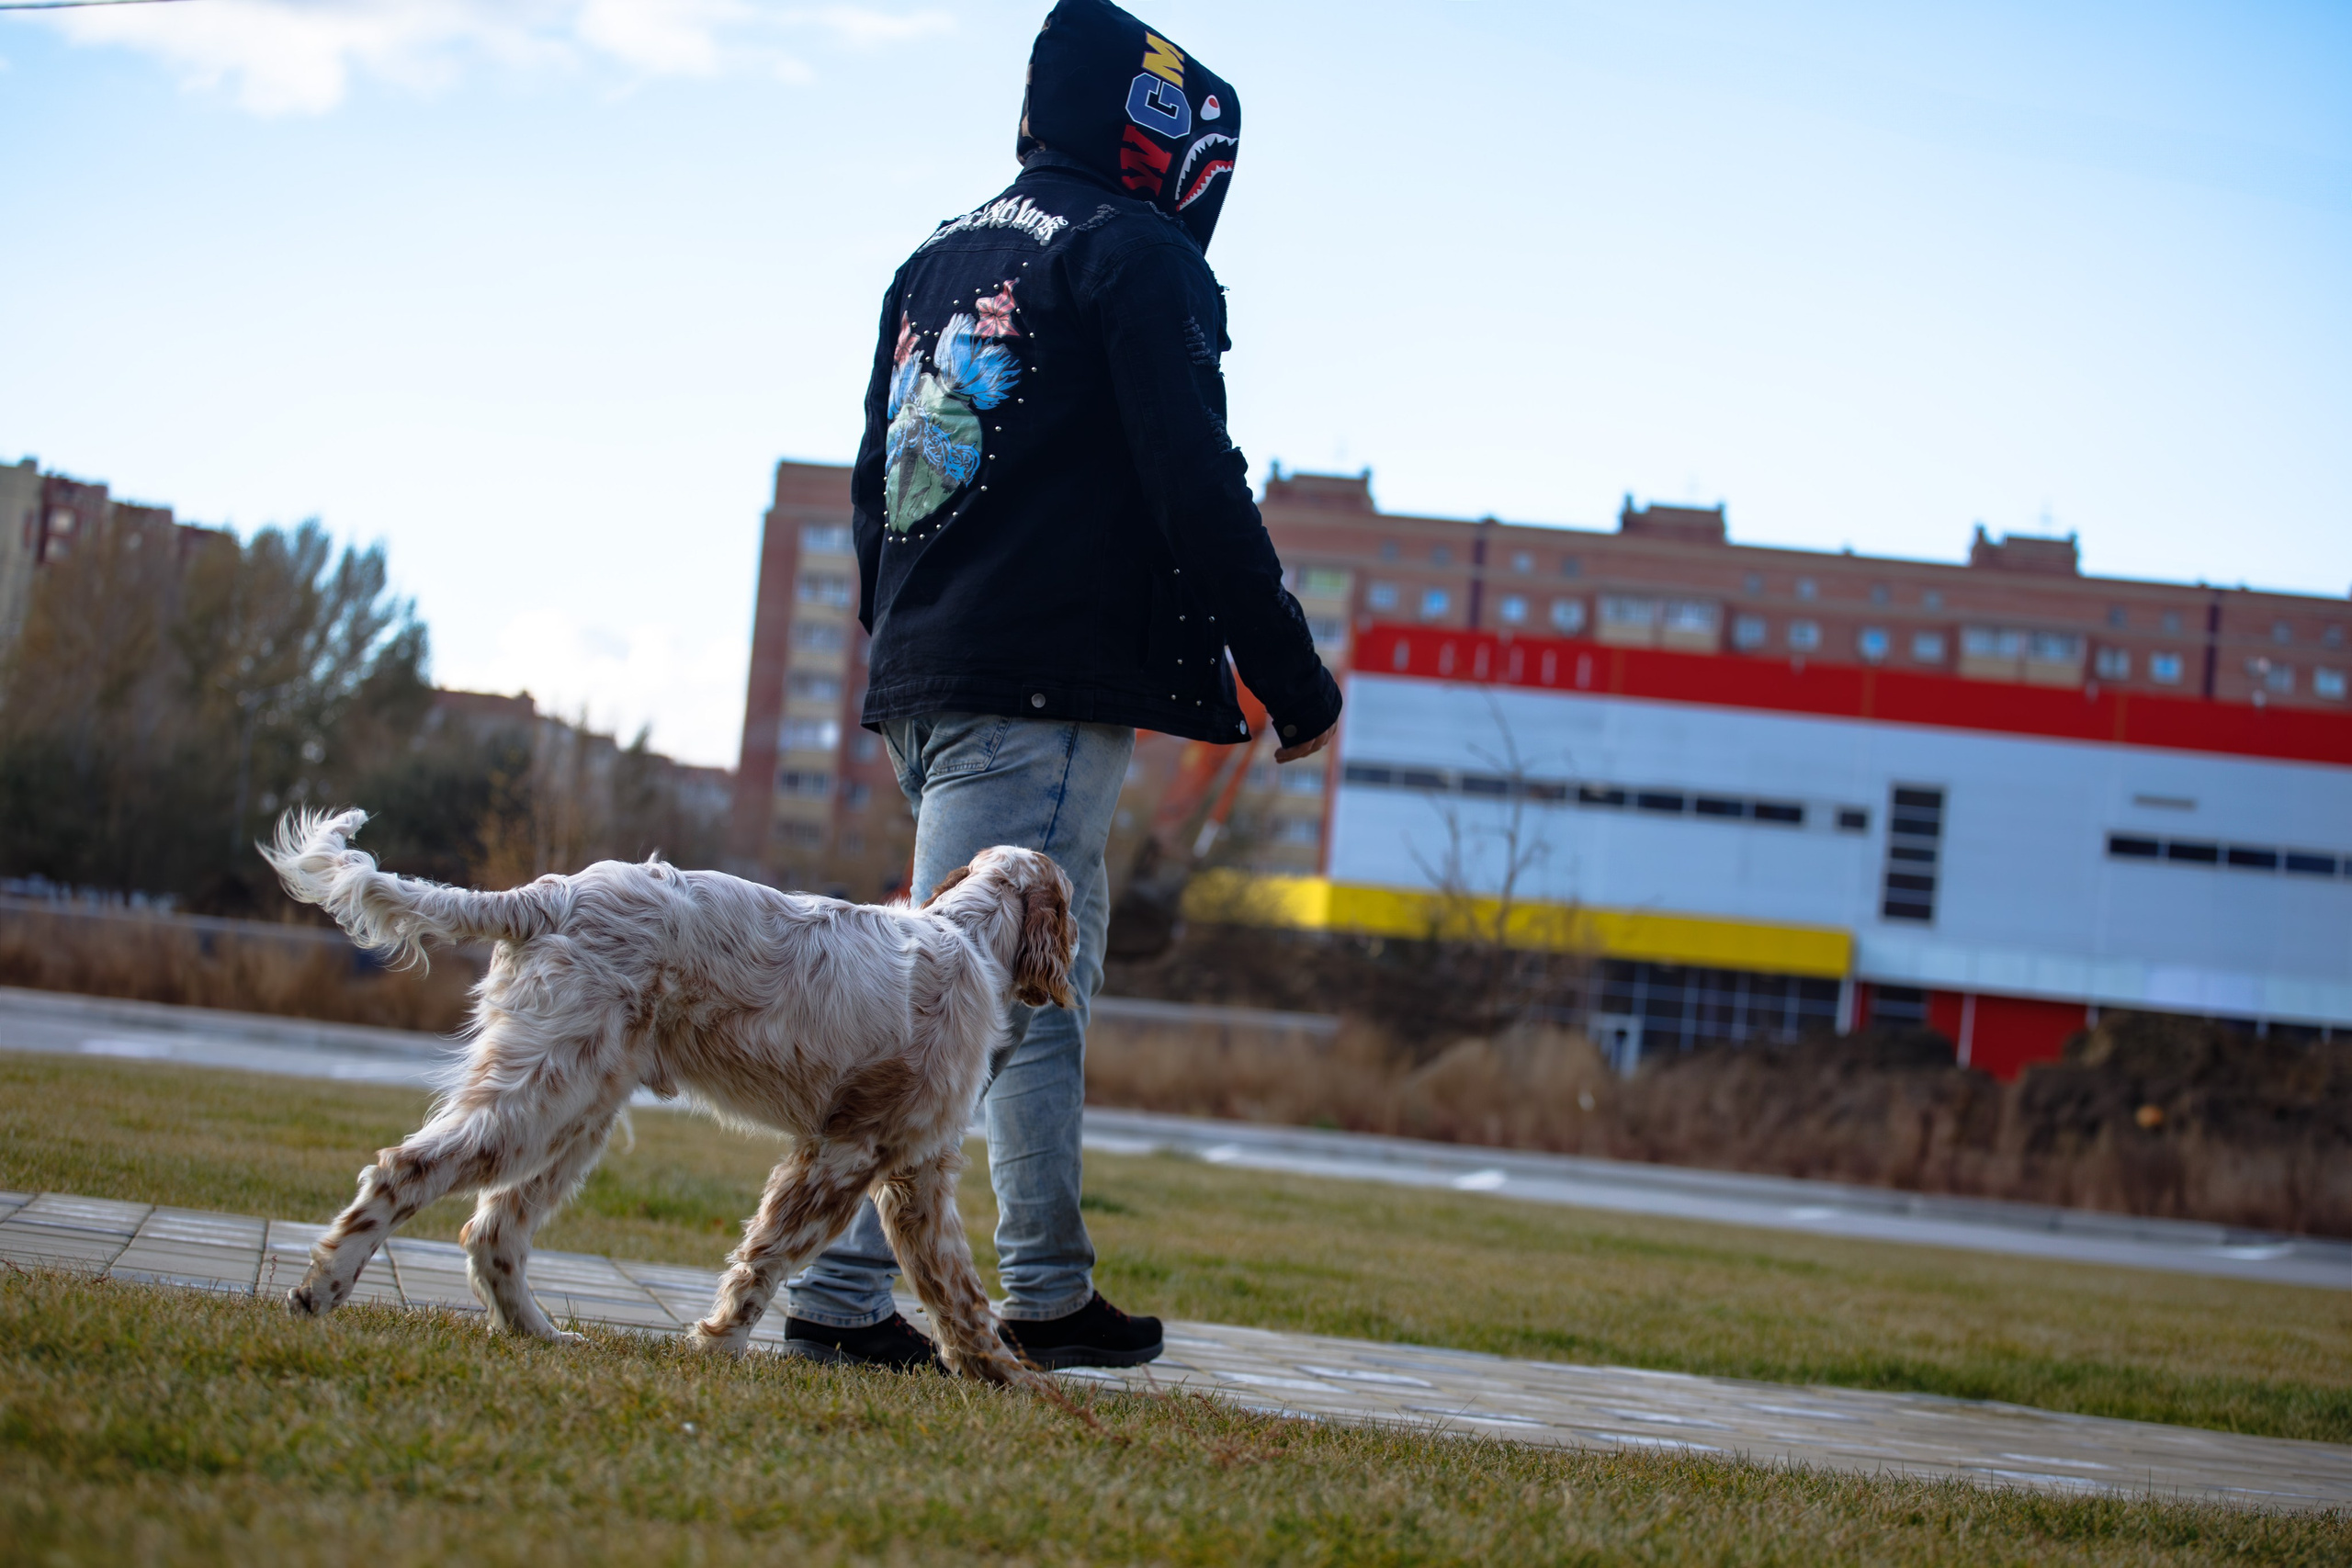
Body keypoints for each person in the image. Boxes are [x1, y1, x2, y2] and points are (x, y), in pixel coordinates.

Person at [782, 0, 1340, 1371]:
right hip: (1035, 688)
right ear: (1150, 125)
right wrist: (1289, 673)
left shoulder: (937, 254)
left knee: (1034, 989)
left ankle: (1043, 1284)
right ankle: (836, 1299)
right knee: (950, 1003)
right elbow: (1194, 482)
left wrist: (898, 641)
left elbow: (876, 484)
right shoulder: (1131, 254)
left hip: (933, 674)